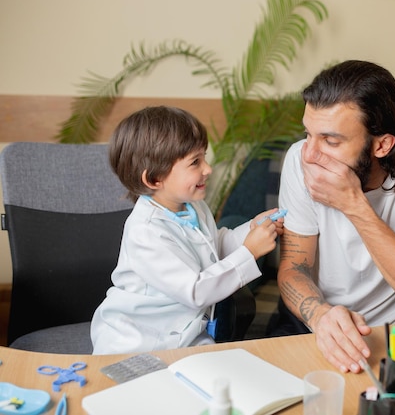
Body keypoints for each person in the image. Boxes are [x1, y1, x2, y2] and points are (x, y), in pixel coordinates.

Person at [270, 60, 395, 374]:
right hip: (315, 323)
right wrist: (321, 317)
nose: (310, 154)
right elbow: (294, 267)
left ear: (382, 144)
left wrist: (354, 206)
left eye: (330, 141)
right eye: (308, 134)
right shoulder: (299, 159)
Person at [91, 105, 284, 354]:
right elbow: (195, 290)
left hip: (185, 334)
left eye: (204, 156)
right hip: (138, 339)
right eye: (195, 162)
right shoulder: (146, 232)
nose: (208, 168)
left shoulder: (193, 206)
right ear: (154, 179)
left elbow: (213, 246)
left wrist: (251, 228)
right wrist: (250, 252)